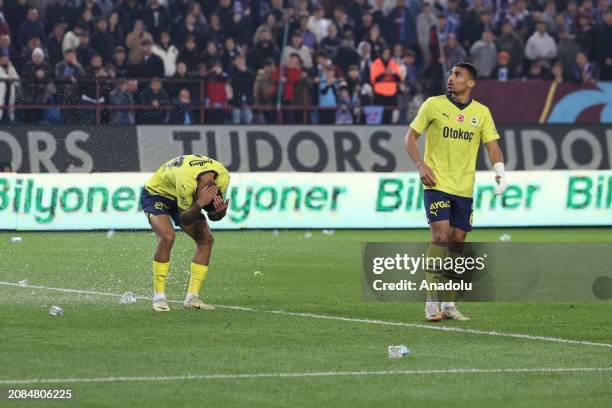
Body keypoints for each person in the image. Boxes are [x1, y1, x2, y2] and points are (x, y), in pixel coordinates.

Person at [404, 62, 506, 322]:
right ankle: (431, 302)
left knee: (457, 242)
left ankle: (449, 303)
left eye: (458, 75)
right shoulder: (432, 105)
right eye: (451, 73)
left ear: (470, 83)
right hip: (436, 182)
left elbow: (492, 146)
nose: (451, 78)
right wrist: (420, 164)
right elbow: (409, 138)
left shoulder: (481, 113)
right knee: (440, 235)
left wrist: (500, 171)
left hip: (464, 188)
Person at [140, 154, 230, 312]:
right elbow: (185, 218)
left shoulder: (223, 177)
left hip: (184, 197)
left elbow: (213, 215)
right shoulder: (186, 179)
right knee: (168, 236)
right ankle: (159, 298)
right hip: (157, 194)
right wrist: (200, 202)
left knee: (206, 239)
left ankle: (192, 298)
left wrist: (220, 212)